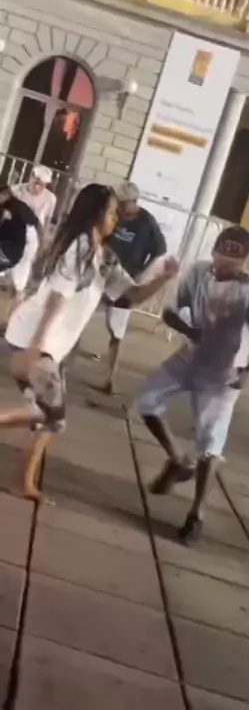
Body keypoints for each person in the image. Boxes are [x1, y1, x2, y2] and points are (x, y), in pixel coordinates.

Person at [2, 183, 178, 503]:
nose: (116, 219)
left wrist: (163, 278)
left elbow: (130, 296)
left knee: (47, 416)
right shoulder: (79, 247)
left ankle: (23, 481)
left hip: (48, 345)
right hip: (33, 338)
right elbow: (57, 297)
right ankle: (22, 482)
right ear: (95, 213)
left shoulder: (104, 256)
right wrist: (36, 348)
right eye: (111, 212)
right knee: (51, 416)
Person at [135, 225, 249, 544]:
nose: (223, 266)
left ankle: (196, 514)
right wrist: (190, 331)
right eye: (219, 257)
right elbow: (169, 314)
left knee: (210, 442)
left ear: (244, 261)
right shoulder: (198, 273)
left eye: (232, 262)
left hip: (225, 371)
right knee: (148, 401)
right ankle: (178, 459)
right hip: (190, 357)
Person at [101, 181, 167, 394]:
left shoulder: (146, 222)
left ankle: (110, 378)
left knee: (117, 330)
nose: (120, 207)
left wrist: (143, 272)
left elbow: (160, 249)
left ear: (134, 201)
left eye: (123, 203)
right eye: (118, 203)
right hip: (103, 271)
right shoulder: (114, 215)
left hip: (125, 279)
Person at [6, 166, 57, 315]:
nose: (39, 186)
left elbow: (46, 222)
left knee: (21, 277)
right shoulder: (17, 191)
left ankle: (11, 314)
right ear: (31, 176)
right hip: (13, 234)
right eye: (37, 181)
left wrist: (44, 242)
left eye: (43, 184)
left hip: (31, 239)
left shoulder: (50, 199)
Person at [0, 185, 41, 282]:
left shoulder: (15, 206)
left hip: (13, 248)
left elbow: (35, 222)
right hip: (13, 250)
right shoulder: (15, 206)